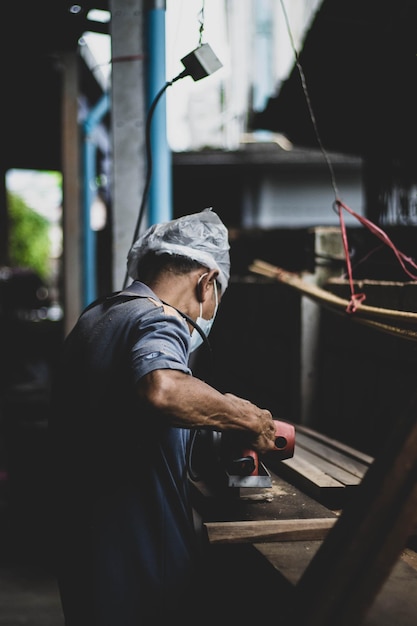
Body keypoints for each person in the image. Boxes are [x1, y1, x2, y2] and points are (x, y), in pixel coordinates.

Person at [48, 208, 277, 626]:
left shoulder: (97, 317)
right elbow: (163, 390)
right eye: (216, 300)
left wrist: (216, 435)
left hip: (88, 562)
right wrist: (245, 416)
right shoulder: (158, 317)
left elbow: (130, 423)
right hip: (143, 572)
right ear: (206, 281)